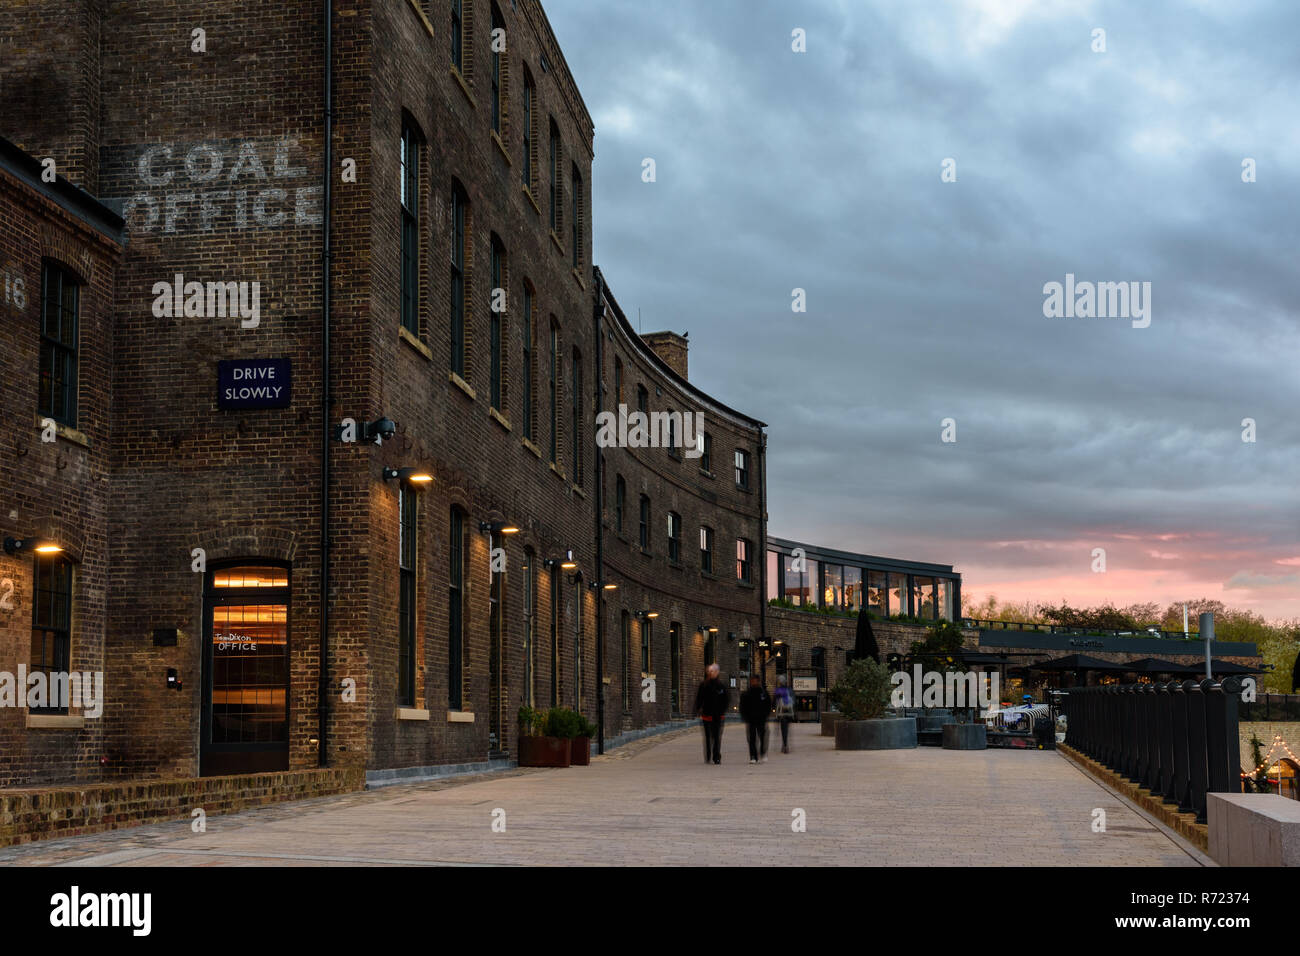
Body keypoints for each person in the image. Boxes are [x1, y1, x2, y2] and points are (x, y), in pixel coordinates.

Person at [694, 663, 729, 764]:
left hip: (718, 716)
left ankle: (716, 756)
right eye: (709, 671)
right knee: (708, 736)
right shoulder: (704, 685)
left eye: (712, 671)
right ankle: (708, 753)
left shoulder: (721, 686)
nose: (710, 673)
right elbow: (699, 699)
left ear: (717, 672)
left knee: (717, 736)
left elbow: (725, 700)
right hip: (707, 715)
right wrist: (697, 708)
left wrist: (722, 710)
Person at [739, 674, 773, 764]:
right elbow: (742, 706)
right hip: (751, 719)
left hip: (761, 719)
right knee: (752, 739)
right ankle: (753, 756)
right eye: (752, 680)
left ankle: (762, 752)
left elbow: (768, 705)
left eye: (755, 680)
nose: (753, 682)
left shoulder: (763, 693)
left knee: (762, 737)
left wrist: (766, 715)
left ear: (758, 681)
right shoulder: (747, 693)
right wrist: (745, 717)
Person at [773, 675, 795, 753]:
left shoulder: (778, 690)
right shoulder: (789, 690)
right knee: (787, 729)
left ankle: (784, 744)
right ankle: (785, 744)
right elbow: (793, 701)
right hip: (789, 712)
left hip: (781, 713)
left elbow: (774, 701)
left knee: (783, 729)